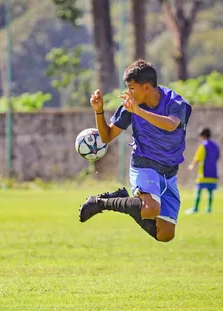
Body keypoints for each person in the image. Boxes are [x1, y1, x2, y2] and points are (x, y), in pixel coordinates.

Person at [79, 59, 191, 242]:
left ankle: (124, 199)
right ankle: (100, 203)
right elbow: (106, 137)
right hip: (144, 163)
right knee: (150, 209)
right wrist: (98, 112)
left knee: (165, 235)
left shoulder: (174, 102)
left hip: (169, 171)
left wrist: (139, 112)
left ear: (146, 87)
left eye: (131, 88)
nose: (128, 92)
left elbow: (171, 125)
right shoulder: (131, 107)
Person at [186, 128, 220, 214]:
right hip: (213, 172)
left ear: (202, 136)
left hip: (204, 173)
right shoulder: (215, 146)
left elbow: (198, 158)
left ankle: (195, 208)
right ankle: (208, 209)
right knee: (210, 191)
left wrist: (192, 165)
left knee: (198, 190)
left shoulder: (203, 146)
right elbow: (217, 157)